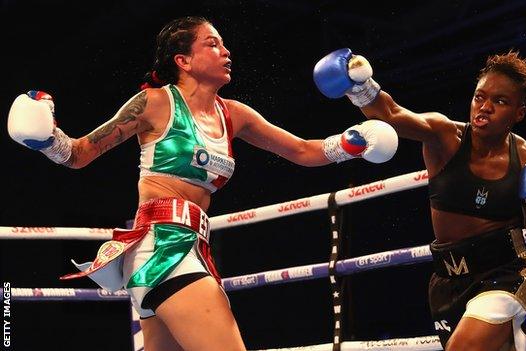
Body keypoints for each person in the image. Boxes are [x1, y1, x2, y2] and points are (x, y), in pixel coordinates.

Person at [7, 17, 398, 351]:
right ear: (184, 60)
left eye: (224, 43)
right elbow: (79, 154)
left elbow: (302, 150)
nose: (226, 51)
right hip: (162, 248)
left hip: (191, 247)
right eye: (212, 44)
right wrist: (47, 139)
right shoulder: (156, 103)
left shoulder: (235, 115)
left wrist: (350, 144)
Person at [313, 48, 526, 351]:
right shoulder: (446, 137)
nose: (484, 107)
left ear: (519, 112)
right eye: (479, 97)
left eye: (500, 101)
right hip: (447, 281)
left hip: (503, 275)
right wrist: (358, 86)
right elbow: (392, 114)